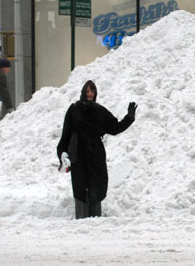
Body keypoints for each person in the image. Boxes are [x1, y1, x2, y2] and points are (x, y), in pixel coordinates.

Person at [57, 80, 137, 219]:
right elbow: (66, 134)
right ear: (83, 92)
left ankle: (95, 221)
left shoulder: (100, 111)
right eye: (87, 91)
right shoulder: (74, 109)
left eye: (92, 91)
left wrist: (129, 118)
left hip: (95, 154)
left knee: (96, 187)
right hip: (78, 154)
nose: (89, 94)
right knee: (80, 188)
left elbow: (115, 128)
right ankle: (81, 220)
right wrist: (62, 153)